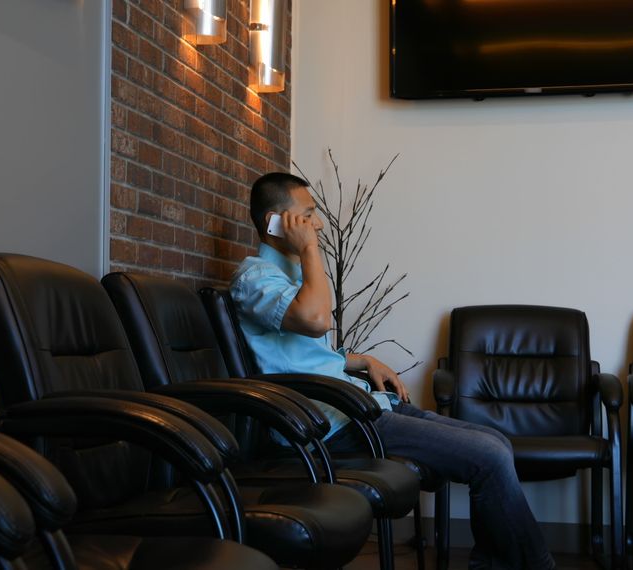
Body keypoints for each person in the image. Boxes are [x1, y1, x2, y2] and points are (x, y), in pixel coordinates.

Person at [230, 172, 556, 570]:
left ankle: (494, 562)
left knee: (495, 442)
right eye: (309, 214)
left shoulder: (293, 278)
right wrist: (311, 250)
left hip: (358, 406)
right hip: (331, 425)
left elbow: (301, 350)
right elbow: (315, 320)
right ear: (274, 222)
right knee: (487, 455)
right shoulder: (255, 278)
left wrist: (360, 360)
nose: (316, 224)